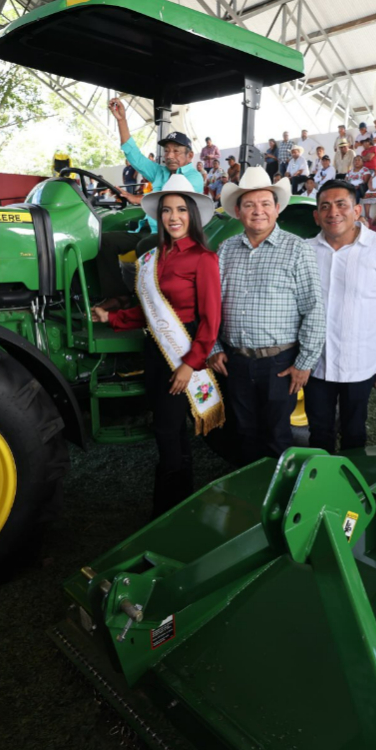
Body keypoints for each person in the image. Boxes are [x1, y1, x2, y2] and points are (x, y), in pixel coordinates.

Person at [92, 176, 221, 514]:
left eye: (180, 209)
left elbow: (210, 320)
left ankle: (166, 507)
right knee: (171, 430)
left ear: (191, 214)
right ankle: (182, 504)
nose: (173, 217)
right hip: (155, 350)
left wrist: (190, 364)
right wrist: (112, 319)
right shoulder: (153, 257)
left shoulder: (202, 258)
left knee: (166, 431)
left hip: (182, 352)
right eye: (166, 210)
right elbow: (149, 311)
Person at [207, 168, 325, 465]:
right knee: (243, 433)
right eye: (249, 205)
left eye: (265, 204)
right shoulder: (225, 249)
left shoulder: (297, 249)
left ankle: (276, 504)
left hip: (279, 364)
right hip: (235, 361)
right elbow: (212, 305)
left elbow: (313, 308)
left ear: (277, 208)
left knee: (277, 436)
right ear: (238, 211)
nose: (257, 211)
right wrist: (215, 348)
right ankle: (247, 499)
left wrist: (304, 364)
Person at [306, 180, 376, 453]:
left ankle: (352, 489)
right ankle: (319, 489)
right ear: (316, 215)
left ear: (356, 211)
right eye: (325, 206)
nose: (333, 213)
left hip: (361, 363)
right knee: (319, 431)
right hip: (315, 363)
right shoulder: (305, 250)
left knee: (354, 430)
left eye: (341, 205)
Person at [104, 98, 204, 296]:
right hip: (150, 229)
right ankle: (117, 297)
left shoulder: (194, 178)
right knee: (104, 241)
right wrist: (122, 121)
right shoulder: (159, 171)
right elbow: (135, 157)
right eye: (167, 151)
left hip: (173, 234)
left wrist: (138, 199)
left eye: (176, 150)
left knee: (145, 246)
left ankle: (150, 302)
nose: (170, 155)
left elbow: (173, 203)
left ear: (189, 156)